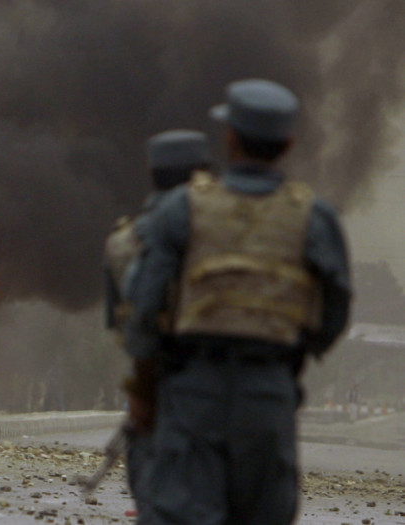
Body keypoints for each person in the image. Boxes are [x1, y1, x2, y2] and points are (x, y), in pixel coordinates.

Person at [124, 78, 351, 524]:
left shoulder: (182, 208)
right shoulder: (314, 217)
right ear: (287, 143)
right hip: (268, 392)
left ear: (228, 138)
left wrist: (144, 389)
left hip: (193, 390)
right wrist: (291, 359)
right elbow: (335, 308)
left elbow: (145, 306)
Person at [103, 129, 211, 517]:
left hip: (160, 382)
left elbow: (126, 325)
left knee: (156, 499)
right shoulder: (230, 231)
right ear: (203, 173)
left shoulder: (122, 242)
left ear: (151, 171)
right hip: (237, 385)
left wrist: (144, 386)